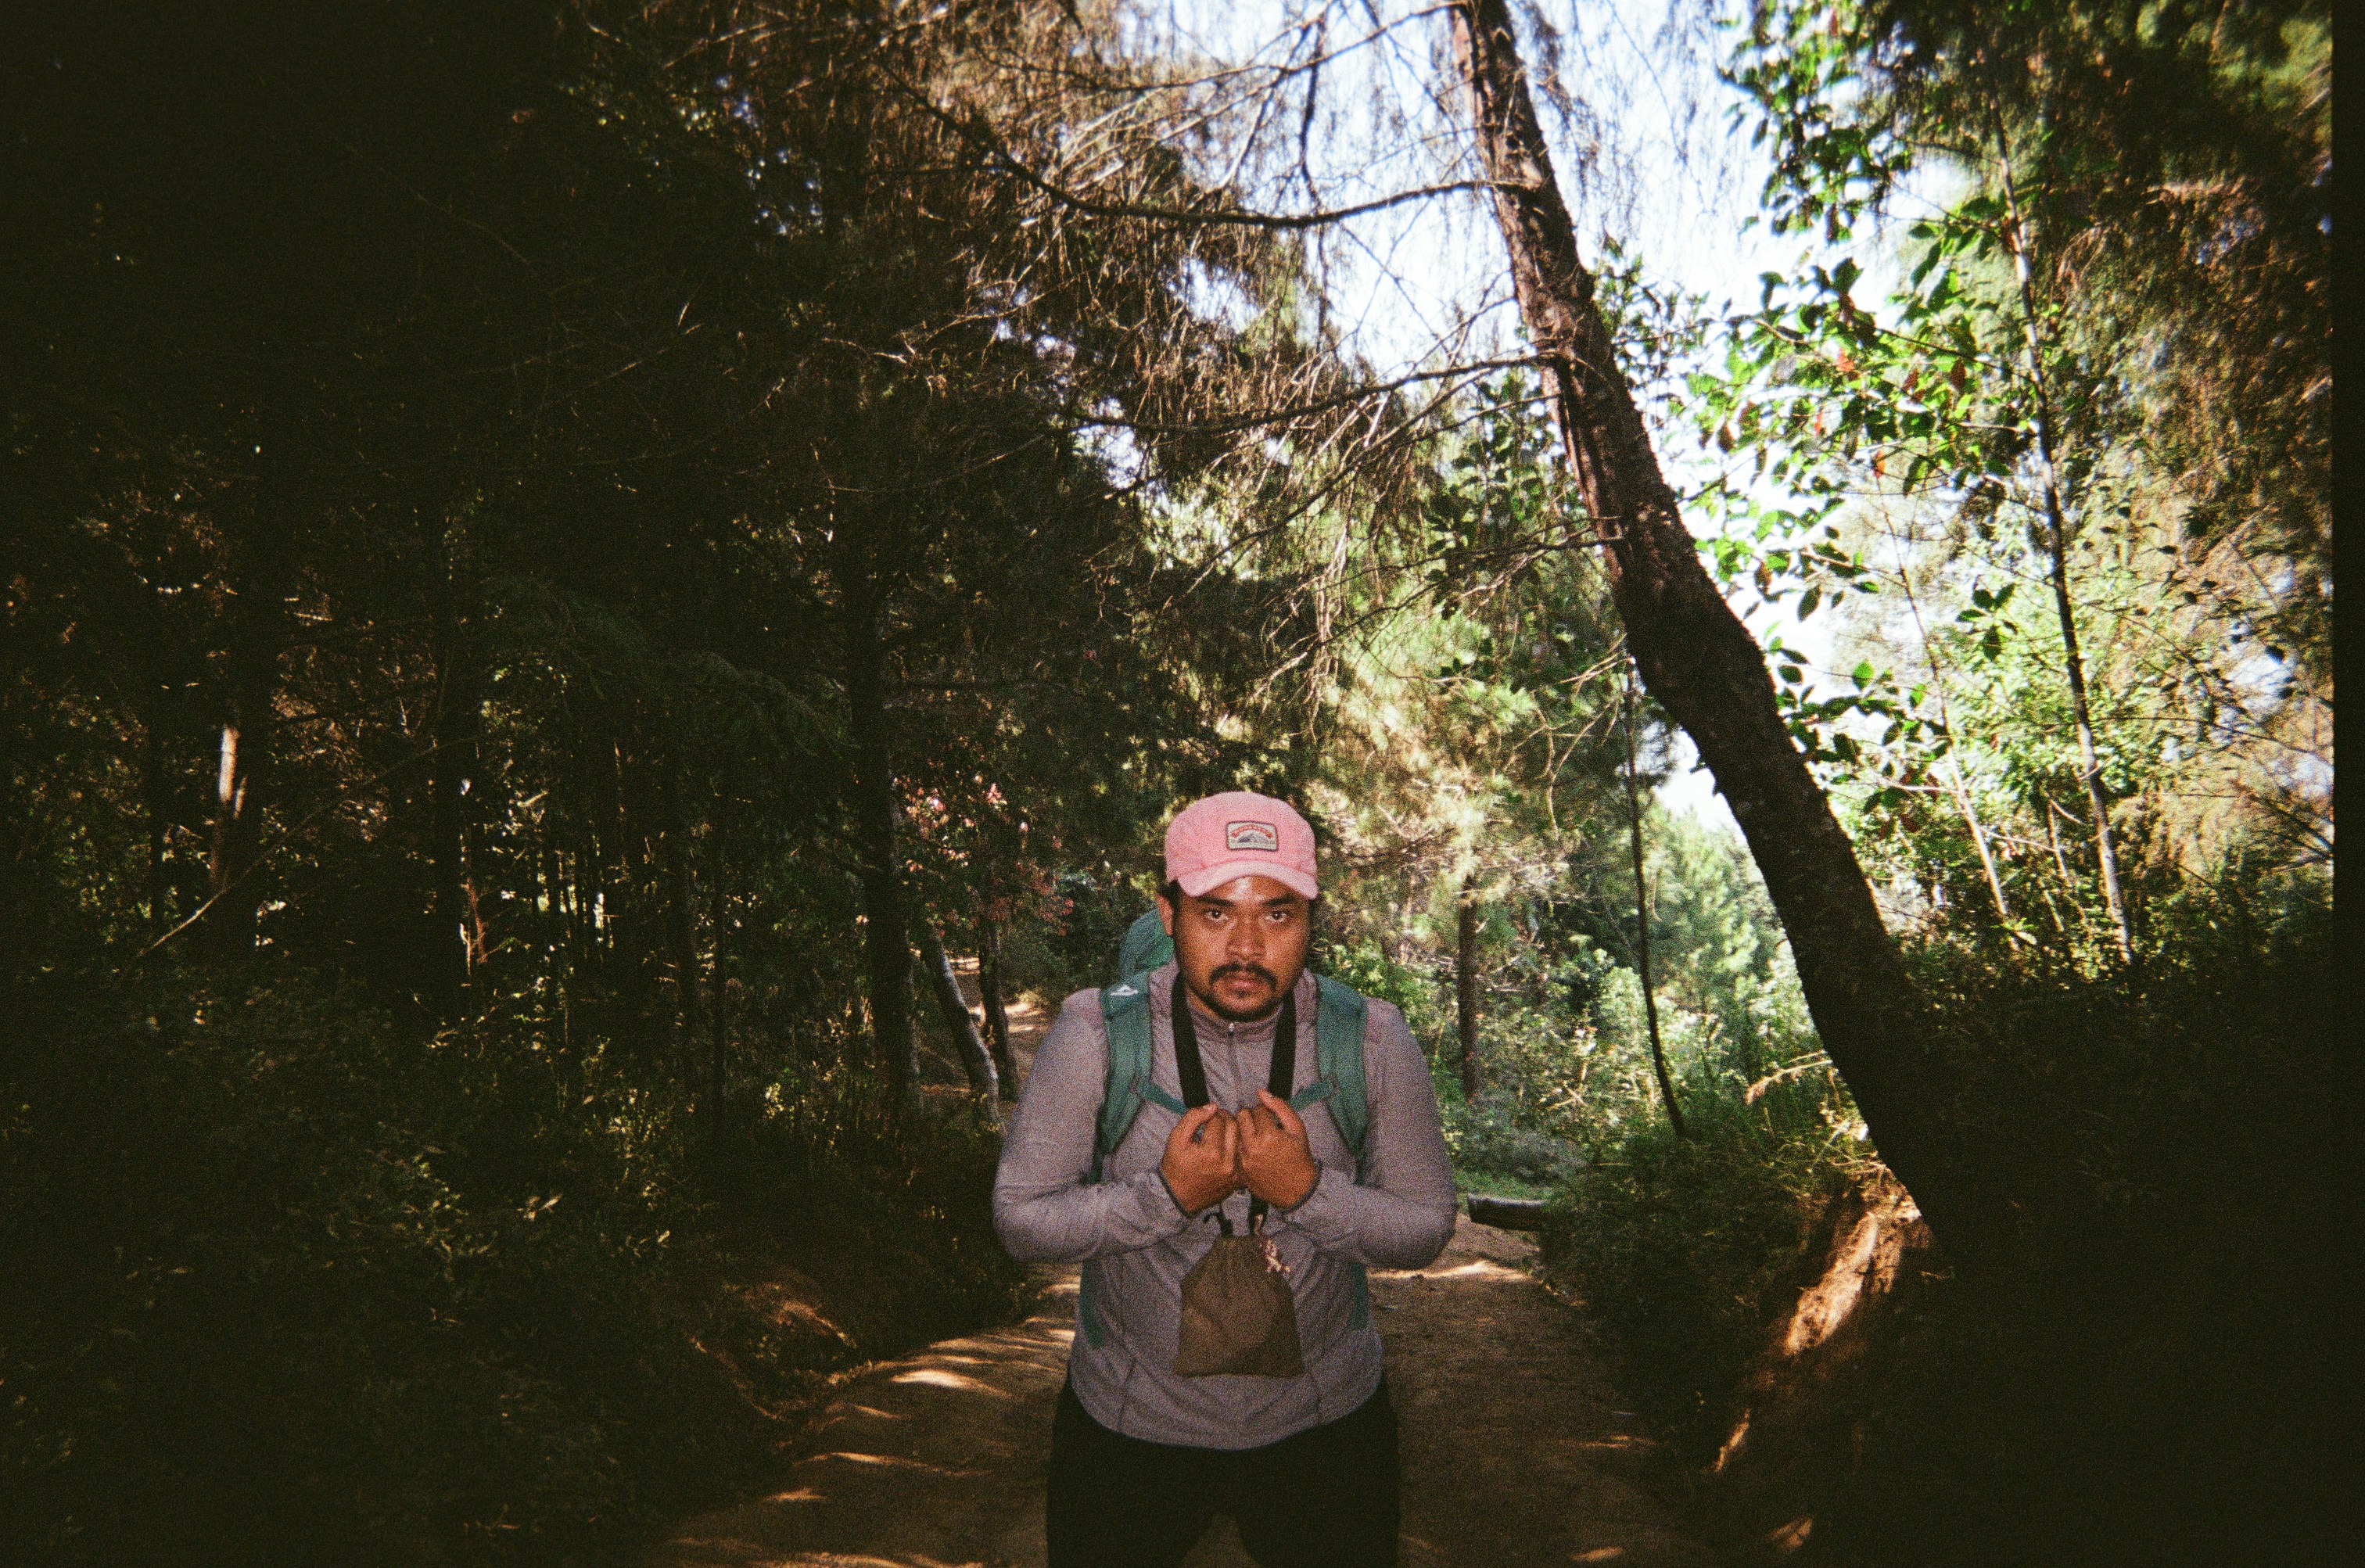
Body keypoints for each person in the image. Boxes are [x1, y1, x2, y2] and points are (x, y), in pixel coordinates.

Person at [994, 791, 1457, 1567]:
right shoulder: (1094, 1034)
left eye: (1277, 914)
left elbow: (1426, 1224)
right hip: (1127, 1425)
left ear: (1311, 916)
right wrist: (1165, 1198)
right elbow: (1020, 1218)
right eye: (1215, 912)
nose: (1247, 944)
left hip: (1326, 1426)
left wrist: (1307, 1192)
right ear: (1168, 913)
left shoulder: (1371, 1038)